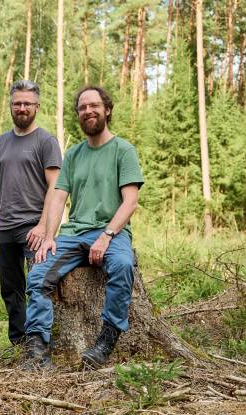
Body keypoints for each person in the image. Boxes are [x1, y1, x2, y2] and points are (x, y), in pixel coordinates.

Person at [23, 86, 144, 369]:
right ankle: (38, 350)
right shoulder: (74, 154)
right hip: (74, 235)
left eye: (94, 105)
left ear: (107, 110)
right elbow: (58, 198)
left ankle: (107, 340)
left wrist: (106, 236)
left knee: (123, 265)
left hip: (111, 233)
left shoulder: (123, 150)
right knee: (39, 273)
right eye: (82, 107)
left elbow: (130, 202)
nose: (88, 111)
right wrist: (48, 236)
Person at [0, 80, 62, 346]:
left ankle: (40, 342)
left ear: (37, 107)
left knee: (38, 285)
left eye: (27, 103)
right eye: (17, 103)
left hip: (33, 226)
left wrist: (43, 225)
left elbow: (56, 186)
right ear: (11, 106)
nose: (22, 108)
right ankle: (19, 343)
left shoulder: (46, 141)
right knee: (11, 289)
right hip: (4, 227)